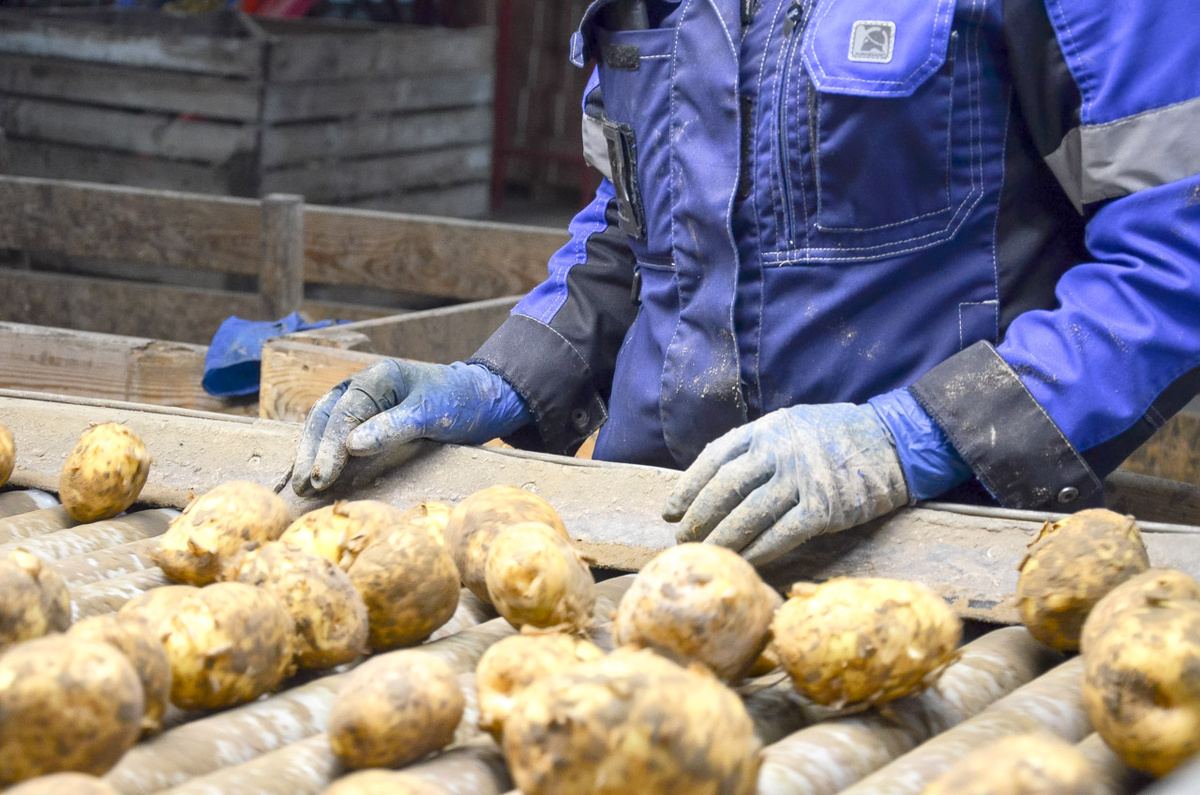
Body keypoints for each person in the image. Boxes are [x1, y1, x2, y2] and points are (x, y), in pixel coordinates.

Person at [294, 0, 1200, 567]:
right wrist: (503, 376)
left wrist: (910, 437)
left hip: (934, 573)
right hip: (647, 556)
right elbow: (635, 225)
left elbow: (1174, 267)